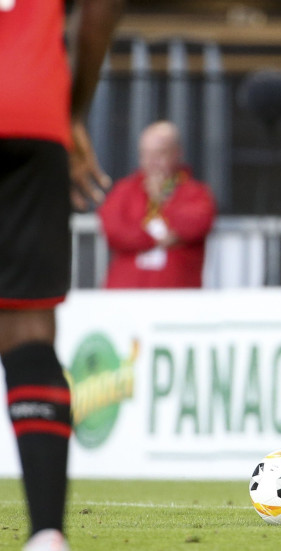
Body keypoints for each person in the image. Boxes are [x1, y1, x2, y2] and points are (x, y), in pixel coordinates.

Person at [0, 1, 124, 549]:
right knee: (28, 329)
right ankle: (47, 533)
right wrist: (70, 109)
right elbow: (103, 8)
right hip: (30, 113)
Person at [97, 121, 217, 289]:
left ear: (177, 153)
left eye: (160, 154)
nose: (152, 162)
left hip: (177, 293)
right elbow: (114, 230)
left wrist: (162, 199)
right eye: (146, 154)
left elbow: (196, 223)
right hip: (125, 293)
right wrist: (157, 238)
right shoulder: (124, 190)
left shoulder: (196, 192)